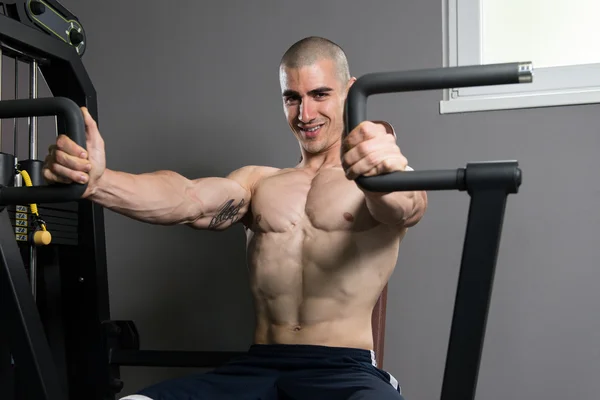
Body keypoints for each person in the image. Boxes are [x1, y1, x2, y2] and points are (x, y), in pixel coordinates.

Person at [43, 36, 428, 400]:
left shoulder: (377, 175)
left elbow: (407, 206)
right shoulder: (259, 182)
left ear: (349, 90)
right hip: (258, 366)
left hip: (344, 371)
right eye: (292, 98)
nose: (305, 113)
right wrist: (98, 181)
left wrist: (381, 176)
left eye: (320, 94)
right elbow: (187, 197)